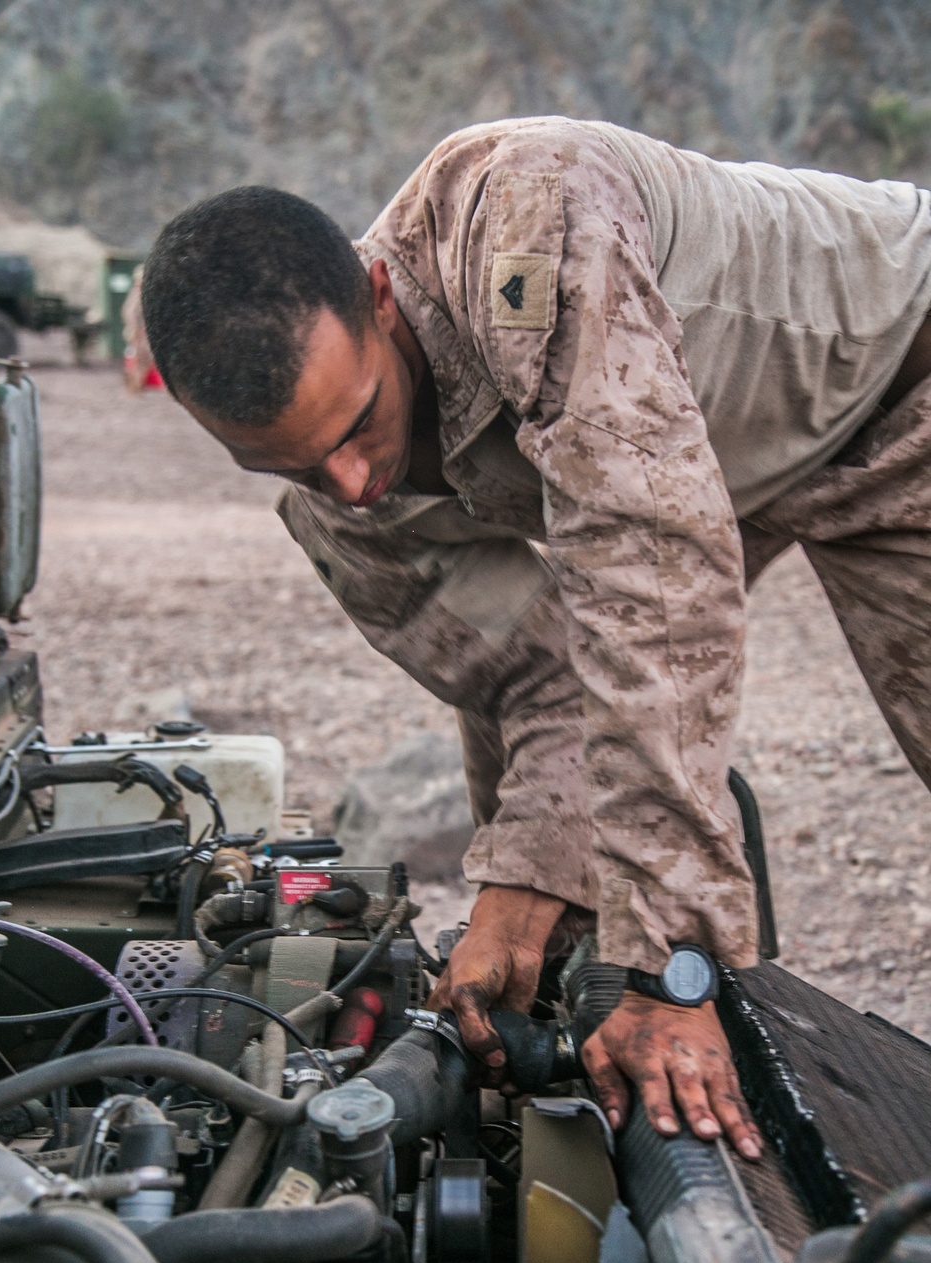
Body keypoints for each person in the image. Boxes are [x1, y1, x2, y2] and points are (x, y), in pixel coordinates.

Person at [139, 118, 931, 1161]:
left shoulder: (528, 222)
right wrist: (519, 892)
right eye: (290, 466)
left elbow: (649, 584)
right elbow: (538, 679)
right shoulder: (340, 506)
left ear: (380, 296)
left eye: (356, 424)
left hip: (897, 387)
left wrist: (670, 971)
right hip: (726, 465)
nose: (347, 482)